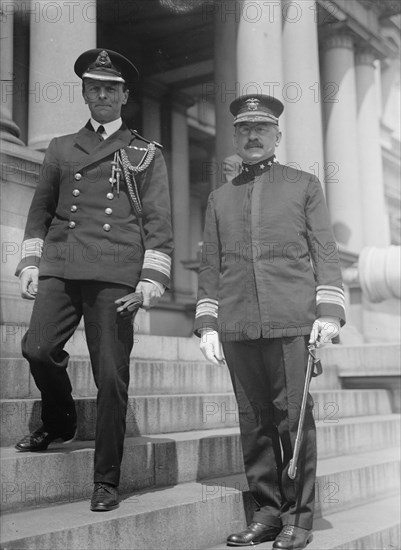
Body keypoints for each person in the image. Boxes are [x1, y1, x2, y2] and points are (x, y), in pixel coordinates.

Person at [14, 48, 173, 512]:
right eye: (94, 87)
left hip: (116, 274)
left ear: (125, 96)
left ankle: (106, 478)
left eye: (111, 88)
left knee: (110, 375)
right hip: (62, 266)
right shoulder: (61, 147)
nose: (102, 94)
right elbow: (40, 209)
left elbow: (159, 224)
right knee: (37, 348)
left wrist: (150, 280)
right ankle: (61, 420)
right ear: (84, 94)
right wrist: (29, 262)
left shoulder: (145, 154)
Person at [194, 95, 345, 549]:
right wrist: (208, 322)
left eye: (262, 128)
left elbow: (324, 249)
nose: (253, 136)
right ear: (235, 137)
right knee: (253, 421)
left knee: (291, 420)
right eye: (244, 130)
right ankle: (266, 512)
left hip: (291, 321)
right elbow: (209, 265)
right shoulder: (220, 197)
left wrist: (329, 312)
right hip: (239, 324)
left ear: (277, 135)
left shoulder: (303, 184)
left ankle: (300, 517)